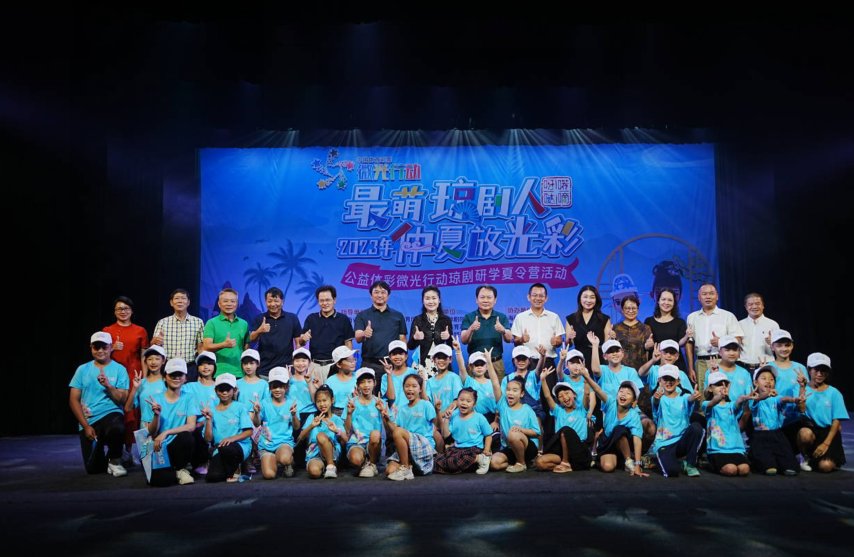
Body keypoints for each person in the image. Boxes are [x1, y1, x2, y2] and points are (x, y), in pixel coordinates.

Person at [69, 332, 130, 477]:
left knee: (117, 427)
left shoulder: (120, 369)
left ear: (110, 347)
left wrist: (108, 385)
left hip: (111, 413)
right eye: (96, 347)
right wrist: (86, 426)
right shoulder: (82, 369)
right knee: (93, 469)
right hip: (90, 419)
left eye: (104, 347)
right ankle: (110, 454)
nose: (100, 351)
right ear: (91, 348)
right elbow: (73, 400)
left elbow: (122, 400)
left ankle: (115, 459)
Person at [103, 296, 149, 463]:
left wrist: (145, 377)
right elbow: (99, 354)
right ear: (115, 312)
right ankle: (116, 450)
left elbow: (144, 356)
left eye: (126, 308)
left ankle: (128, 451)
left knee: (132, 414)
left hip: (133, 374)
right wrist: (112, 348)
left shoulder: (140, 331)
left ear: (131, 310)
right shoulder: (107, 330)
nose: (123, 311)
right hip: (114, 375)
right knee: (115, 410)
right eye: (119, 309)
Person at [578, 367, 647, 476]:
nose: (623, 394)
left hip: (623, 444)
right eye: (621, 391)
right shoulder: (610, 402)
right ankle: (619, 461)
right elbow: (598, 390)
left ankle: (629, 461)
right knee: (607, 467)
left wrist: (637, 466)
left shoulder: (634, 415)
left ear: (633, 401)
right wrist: (586, 376)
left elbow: (637, 440)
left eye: (628, 393)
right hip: (607, 442)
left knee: (620, 430)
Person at [139, 359, 198, 486]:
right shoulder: (154, 399)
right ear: (165, 377)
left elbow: (191, 425)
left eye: (180, 375)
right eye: (172, 375)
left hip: (177, 444)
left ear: (185, 378)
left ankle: (181, 468)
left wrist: (166, 432)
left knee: (187, 436)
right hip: (158, 446)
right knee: (160, 481)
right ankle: (175, 471)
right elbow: (150, 432)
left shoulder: (189, 397)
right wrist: (156, 415)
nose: (176, 378)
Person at [748, 365, 804, 476]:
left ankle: (783, 463)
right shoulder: (753, 398)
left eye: (771, 379)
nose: (768, 381)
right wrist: (767, 394)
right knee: (769, 467)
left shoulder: (775, 398)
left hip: (777, 434)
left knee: (790, 466)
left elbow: (784, 399)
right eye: (763, 378)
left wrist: (794, 399)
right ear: (755, 383)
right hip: (760, 436)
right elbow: (757, 399)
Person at [686, 283, 744, 391]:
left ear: (717, 296)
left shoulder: (727, 316)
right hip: (701, 362)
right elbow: (689, 343)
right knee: (703, 395)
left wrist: (721, 342)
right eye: (704, 294)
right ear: (699, 297)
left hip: (722, 361)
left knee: (724, 393)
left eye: (711, 293)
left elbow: (739, 339)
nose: (708, 297)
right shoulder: (692, 317)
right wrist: (690, 367)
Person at [649, 365, 704, 477]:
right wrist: (656, 399)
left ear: (678, 381)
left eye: (672, 379)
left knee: (697, 428)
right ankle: (658, 458)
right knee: (672, 471)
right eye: (665, 379)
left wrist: (694, 397)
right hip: (665, 443)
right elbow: (655, 402)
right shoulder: (658, 397)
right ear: (659, 381)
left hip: (682, 441)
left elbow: (689, 399)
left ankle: (690, 464)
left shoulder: (684, 396)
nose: (669, 382)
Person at [354, 280, 407, 394]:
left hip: (393, 364)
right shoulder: (362, 315)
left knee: (394, 397)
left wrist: (403, 362)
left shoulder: (397, 316)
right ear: (371, 295)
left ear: (388, 295)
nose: (379, 295)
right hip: (370, 364)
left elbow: (402, 339)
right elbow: (357, 337)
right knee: (369, 398)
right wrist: (364, 333)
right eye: (376, 292)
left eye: (383, 292)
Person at [797, 353, 847, 473]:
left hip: (828, 433)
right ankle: (805, 457)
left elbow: (837, 420)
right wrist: (802, 388)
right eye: (816, 370)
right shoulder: (801, 388)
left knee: (825, 466)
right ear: (809, 370)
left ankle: (821, 460)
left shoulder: (834, 393)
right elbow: (801, 410)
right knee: (804, 434)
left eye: (823, 370)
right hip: (810, 430)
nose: (819, 374)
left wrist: (825, 444)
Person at [535, 370, 593, 473]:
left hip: (579, 449)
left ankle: (566, 463)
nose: (565, 397)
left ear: (574, 395)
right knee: (540, 462)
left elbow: (587, 394)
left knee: (565, 431)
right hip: (562, 451)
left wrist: (586, 377)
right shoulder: (558, 411)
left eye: (567, 393)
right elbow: (548, 396)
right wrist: (543, 379)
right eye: (560, 396)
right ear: (558, 401)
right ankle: (568, 465)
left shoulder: (582, 409)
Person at [382, 374, 437, 481]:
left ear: (420, 389)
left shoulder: (426, 405)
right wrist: (387, 419)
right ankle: (409, 466)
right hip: (408, 447)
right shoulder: (402, 409)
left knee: (398, 431)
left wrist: (438, 411)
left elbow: (437, 425)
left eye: (414, 386)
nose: (410, 389)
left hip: (423, 444)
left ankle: (406, 468)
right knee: (389, 471)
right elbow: (396, 432)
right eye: (407, 386)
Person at [201, 373, 253, 483]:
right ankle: (230, 469)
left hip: (239, 446)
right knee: (213, 477)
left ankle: (237, 467)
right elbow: (208, 439)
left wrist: (231, 439)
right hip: (220, 448)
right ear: (216, 391)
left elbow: (249, 431)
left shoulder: (240, 407)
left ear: (234, 390)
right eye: (221, 390)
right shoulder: (211, 411)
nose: (224, 393)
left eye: (228, 389)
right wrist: (209, 420)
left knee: (227, 448)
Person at [298, 285, 354, 382]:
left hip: (336, 366)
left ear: (334, 300)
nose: (324, 303)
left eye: (328, 300)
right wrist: (303, 339)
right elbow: (301, 342)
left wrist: (347, 363)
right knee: (313, 391)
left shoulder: (343, 319)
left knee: (335, 391)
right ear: (318, 301)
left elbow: (348, 344)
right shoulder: (311, 318)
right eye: (321, 300)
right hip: (314, 366)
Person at [252, 366, 299, 480]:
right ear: (270, 387)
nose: (277, 390)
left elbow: (296, 427)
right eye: (274, 386)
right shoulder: (264, 403)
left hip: (284, 442)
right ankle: (273, 460)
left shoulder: (291, 403)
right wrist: (257, 413)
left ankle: (288, 461)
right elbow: (257, 424)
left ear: (286, 387)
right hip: (266, 444)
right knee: (269, 475)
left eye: (281, 386)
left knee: (284, 459)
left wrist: (293, 415)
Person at [124, 345, 168, 465]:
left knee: (163, 465)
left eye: (157, 358)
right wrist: (135, 388)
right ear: (145, 361)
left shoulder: (167, 382)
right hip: (145, 428)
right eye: (150, 359)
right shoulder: (141, 383)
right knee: (149, 467)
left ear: (163, 360)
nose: (153, 362)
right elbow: (128, 408)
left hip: (164, 425)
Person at [702, 371, 751, 476]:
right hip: (717, 450)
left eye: (725, 384)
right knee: (731, 469)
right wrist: (719, 397)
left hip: (736, 449)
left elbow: (738, 402)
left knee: (744, 469)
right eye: (718, 384)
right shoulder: (707, 404)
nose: (722, 387)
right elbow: (712, 403)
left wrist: (745, 398)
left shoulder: (731, 405)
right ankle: (709, 464)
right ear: (710, 388)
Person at [434, 387, 494, 475]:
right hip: (457, 448)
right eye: (461, 400)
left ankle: (481, 458)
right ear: (457, 401)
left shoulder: (479, 417)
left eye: (468, 401)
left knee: (455, 462)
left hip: (473, 449)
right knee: (437, 461)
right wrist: (446, 419)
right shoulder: (454, 415)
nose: (464, 403)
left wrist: (486, 450)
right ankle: (471, 464)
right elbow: (445, 435)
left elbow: (488, 435)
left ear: (474, 404)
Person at [460, 285, 513, 381]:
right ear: (476, 300)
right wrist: (471, 328)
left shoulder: (501, 317)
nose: (485, 300)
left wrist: (503, 330)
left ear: (495, 300)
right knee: (473, 390)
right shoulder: (469, 317)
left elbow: (509, 339)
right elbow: (463, 340)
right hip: (476, 364)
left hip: (496, 363)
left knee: (498, 390)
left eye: (489, 297)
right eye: (482, 297)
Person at [151, 288, 205, 382]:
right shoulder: (163, 322)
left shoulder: (198, 322)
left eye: (183, 298)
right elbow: (154, 346)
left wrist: (201, 370)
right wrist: (154, 342)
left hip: (190, 367)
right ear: (171, 303)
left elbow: (201, 347)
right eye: (177, 298)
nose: (180, 301)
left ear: (188, 302)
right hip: (168, 366)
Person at [767, 330, 808, 452]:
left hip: (795, 418)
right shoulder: (768, 367)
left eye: (787, 345)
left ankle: (803, 455)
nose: (784, 349)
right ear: (772, 347)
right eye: (779, 345)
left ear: (792, 346)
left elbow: (805, 393)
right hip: (774, 419)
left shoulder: (800, 368)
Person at [489, 377, 541, 473]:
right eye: (508, 389)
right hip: (509, 449)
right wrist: (489, 365)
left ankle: (521, 463)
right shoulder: (503, 406)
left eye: (514, 390)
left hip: (527, 448)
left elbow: (537, 432)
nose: (510, 392)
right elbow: (495, 383)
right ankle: (517, 463)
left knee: (513, 434)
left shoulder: (527, 409)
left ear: (522, 394)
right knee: (494, 464)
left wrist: (521, 430)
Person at [248, 287, 302, 379]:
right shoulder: (259, 318)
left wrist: (297, 365)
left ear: (282, 302)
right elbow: (251, 339)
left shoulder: (292, 318)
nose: (273, 304)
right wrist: (259, 330)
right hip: (264, 370)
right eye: (269, 301)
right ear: (266, 302)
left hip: (286, 370)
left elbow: (298, 343)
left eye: (276, 301)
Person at [511, 283, 564, 373]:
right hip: (527, 362)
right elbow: (515, 341)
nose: (538, 298)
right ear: (529, 297)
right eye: (534, 295)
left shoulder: (554, 317)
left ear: (546, 298)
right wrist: (522, 339)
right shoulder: (520, 317)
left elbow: (559, 340)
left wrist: (556, 342)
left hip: (548, 362)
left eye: (541, 296)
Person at [297, 385, 348, 479]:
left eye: (324, 400)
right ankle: (324, 467)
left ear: (332, 400)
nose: (322, 404)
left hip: (332, 452)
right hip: (315, 452)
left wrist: (337, 430)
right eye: (318, 401)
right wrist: (311, 426)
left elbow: (346, 440)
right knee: (314, 472)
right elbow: (300, 438)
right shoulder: (312, 417)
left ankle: (330, 466)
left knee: (320, 436)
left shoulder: (337, 419)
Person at [344, 368, 384, 478]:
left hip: (375, 442)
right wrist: (349, 414)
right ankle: (364, 462)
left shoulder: (381, 403)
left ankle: (372, 464)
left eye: (369, 381)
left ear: (374, 383)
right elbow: (346, 430)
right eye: (362, 382)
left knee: (375, 434)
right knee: (356, 460)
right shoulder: (351, 403)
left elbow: (389, 430)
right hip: (356, 442)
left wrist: (383, 413)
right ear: (357, 385)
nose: (366, 385)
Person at [182, 351, 218, 476]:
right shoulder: (189, 387)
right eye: (202, 364)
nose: (205, 367)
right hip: (194, 424)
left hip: (214, 423)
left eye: (209, 363)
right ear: (197, 368)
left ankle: (209, 460)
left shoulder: (220, 387)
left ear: (215, 367)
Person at [424, 344, 464, 451]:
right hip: (435, 420)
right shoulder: (430, 382)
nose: (441, 361)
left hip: (451, 419)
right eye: (438, 358)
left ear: (450, 359)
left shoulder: (454, 377)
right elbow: (427, 401)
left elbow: (457, 400)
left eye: (444, 358)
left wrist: (443, 414)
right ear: (433, 360)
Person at [203, 288, 250, 378]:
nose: (229, 304)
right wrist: (224, 345)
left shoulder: (244, 324)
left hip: (239, 373)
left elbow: (246, 349)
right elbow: (206, 346)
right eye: (225, 301)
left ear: (237, 304)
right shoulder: (211, 323)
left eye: (232, 301)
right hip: (217, 373)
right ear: (219, 304)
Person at [565, 285, 612, 370]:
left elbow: (607, 344)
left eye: (592, 297)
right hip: (578, 360)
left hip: (599, 358)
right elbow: (569, 343)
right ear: (580, 298)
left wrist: (612, 337)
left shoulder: (604, 319)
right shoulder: (571, 319)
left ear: (596, 299)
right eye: (585, 297)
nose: (588, 300)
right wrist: (569, 338)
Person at [643, 288, 690, 371]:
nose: (666, 303)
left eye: (670, 300)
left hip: (675, 363)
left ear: (674, 303)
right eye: (663, 299)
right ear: (658, 301)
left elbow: (680, 343)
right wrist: (647, 345)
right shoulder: (649, 321)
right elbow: (646, 345)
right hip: (656, 363)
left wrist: (687, 336)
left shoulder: (680, 322)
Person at [408, 285, 453, 367]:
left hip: (441, 363)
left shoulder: (446, 320)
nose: (431, 301)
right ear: (423, 301)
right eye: (427, 298)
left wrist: (448, 337)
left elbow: (452, 346)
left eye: (434, 298)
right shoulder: (418, 320)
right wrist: (415, 338)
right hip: (421, 364)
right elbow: (410, 346)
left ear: (439, 300)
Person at [737, 293, 779, 374]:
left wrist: (773, 343)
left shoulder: (773, 324)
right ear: (746, 307)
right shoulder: (739, 324)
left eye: (757, 304)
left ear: (763, 306)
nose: (754, 307)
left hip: (766, 366)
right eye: (750, 304)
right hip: (743, 367)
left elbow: (780, 349)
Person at [610, 294, 652, 371]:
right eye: (627, 308)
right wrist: (610, 338)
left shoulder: (645, 328)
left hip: (639, 370)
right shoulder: (615, 328)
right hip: (619, 370)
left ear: (638, 309)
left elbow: (648, 349)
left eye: (634, 308)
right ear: (622, 310)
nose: (631, 311)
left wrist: (649, 346)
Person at [325, 345, 359, 416]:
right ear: (338, 364)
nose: (353, 362)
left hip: (355, 411)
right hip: (335, 414)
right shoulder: (330, 381)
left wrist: (358, 397)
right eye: (349, 360)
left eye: (354, 359)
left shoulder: (359, 377)